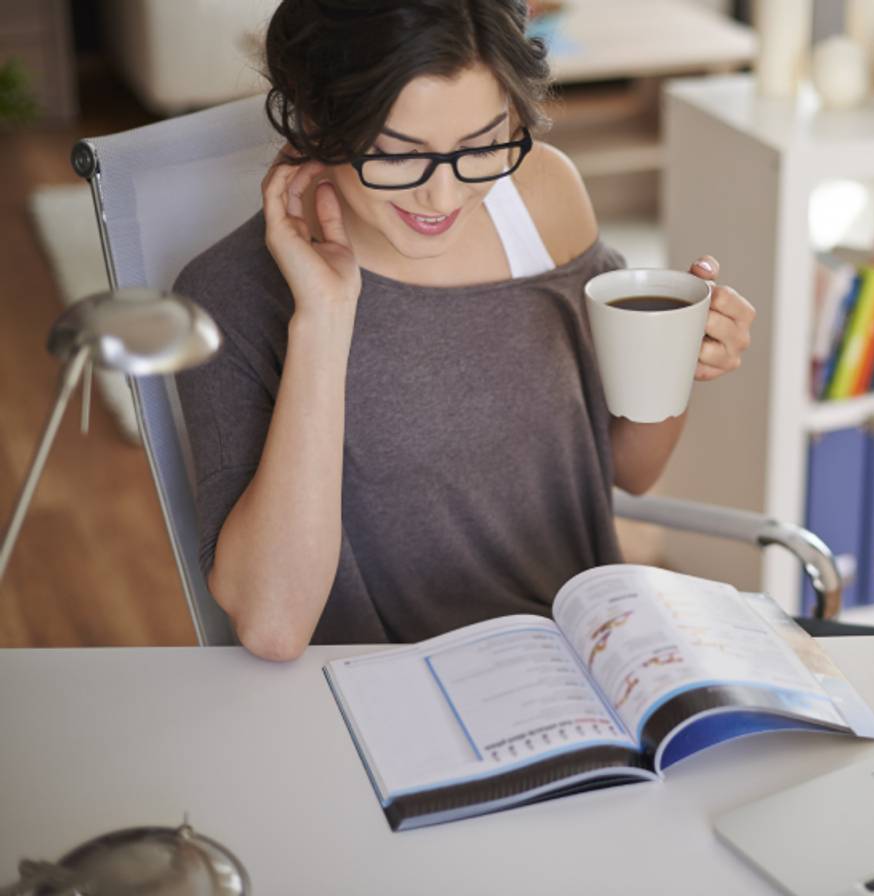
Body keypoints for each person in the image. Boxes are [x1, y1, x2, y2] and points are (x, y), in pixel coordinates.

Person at [173, 0, 756, 661]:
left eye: (481, 145)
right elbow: (273, 624)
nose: (444, 198)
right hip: (394, 711)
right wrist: (325, 319)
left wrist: (680, 350)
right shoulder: (228, 295)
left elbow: (630, 467)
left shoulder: (540, 197)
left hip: (593, 669)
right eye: (399, 156)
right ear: (315, 122)